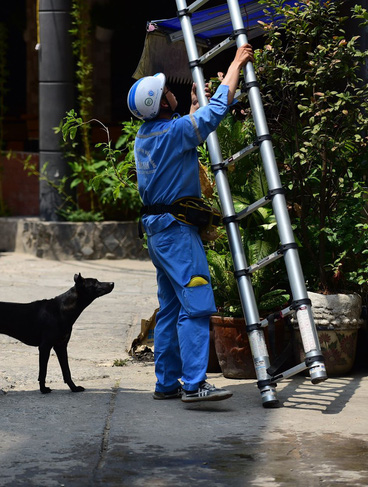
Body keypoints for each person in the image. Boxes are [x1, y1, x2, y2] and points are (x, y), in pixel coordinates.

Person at [127, 44, 254, 403]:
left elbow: (186, 129)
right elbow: (215, 113)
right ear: (163, 104)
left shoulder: (146, 136)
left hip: (158, 235)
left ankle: (166, 383)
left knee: (169, 310)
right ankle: (195, 384)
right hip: (178, 235)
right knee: (196, 304)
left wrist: (193, 107)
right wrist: (236, 64)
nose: (172, 90)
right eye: (167, 91)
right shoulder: (172, 132)